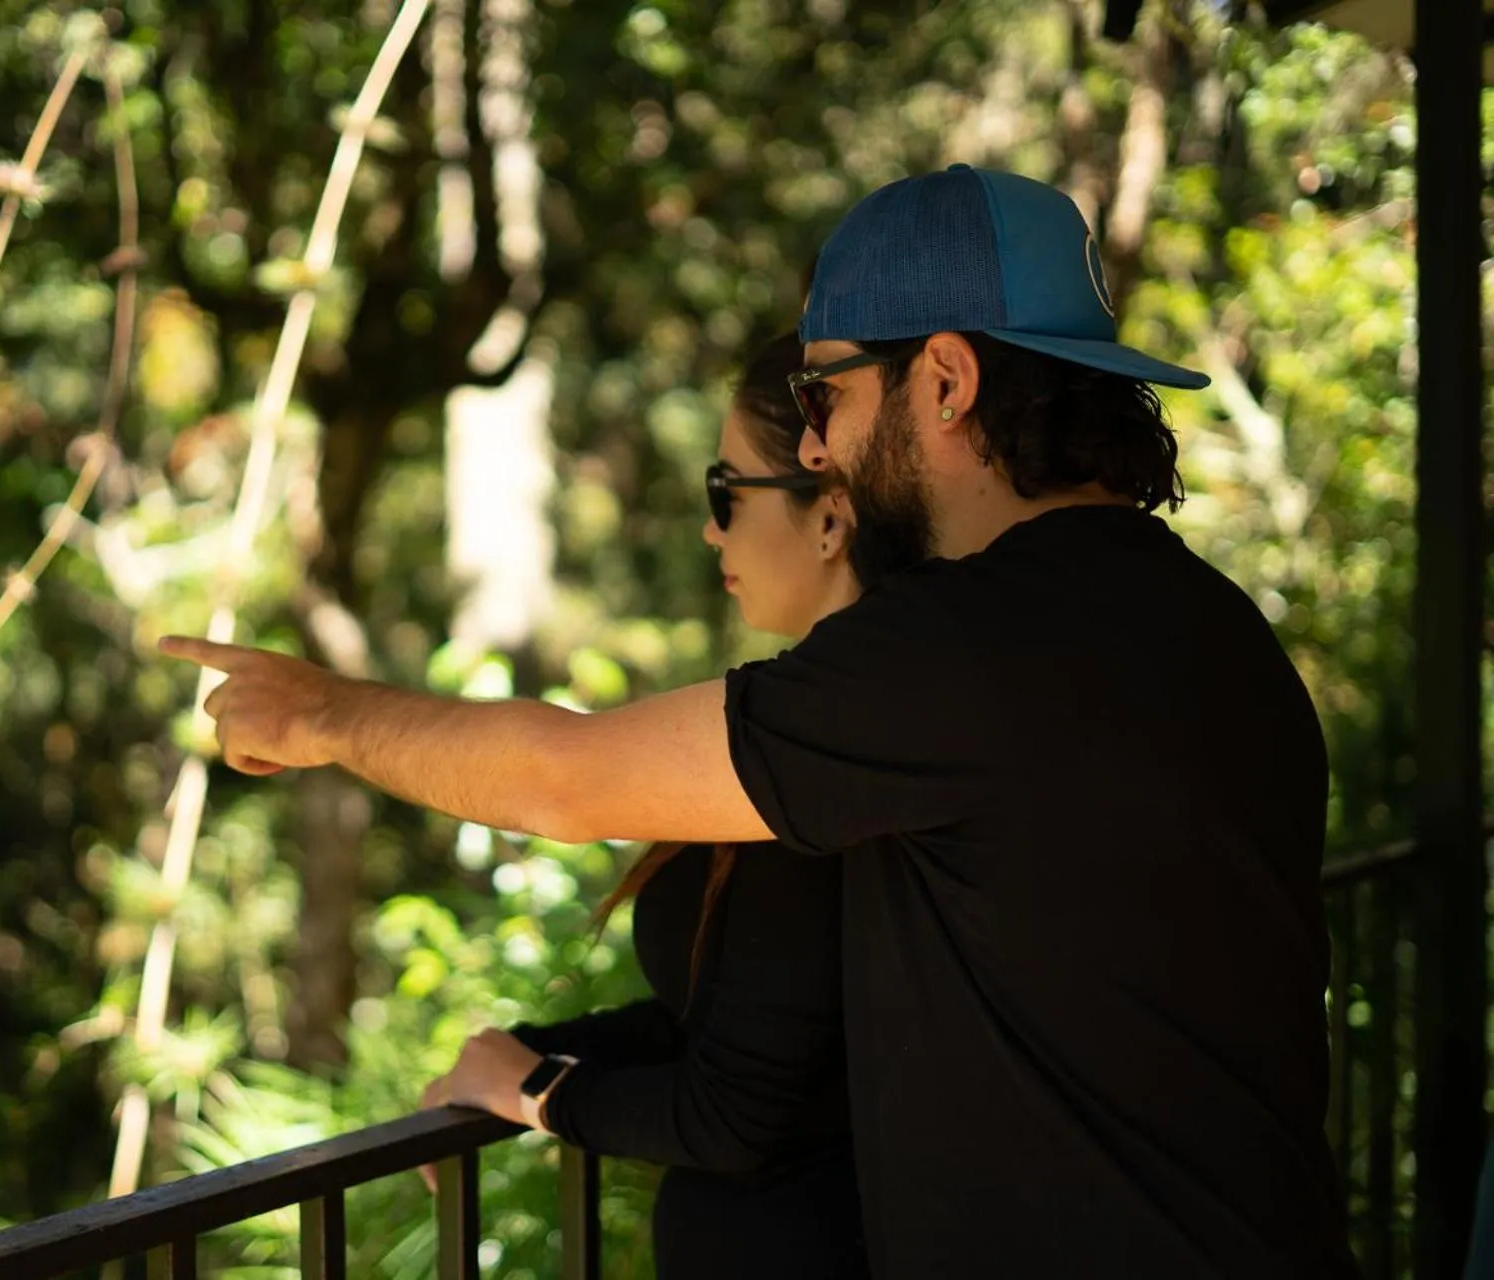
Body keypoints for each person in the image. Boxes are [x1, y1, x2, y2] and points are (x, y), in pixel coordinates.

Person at [161, 165, 1356, 1277]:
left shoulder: (964, 647)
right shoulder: (1215, 625)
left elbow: (564, 779)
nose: (820, 443)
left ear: (946, 379)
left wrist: (328, 713)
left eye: (825, 392)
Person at [421, 335, 868, 1278]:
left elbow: (735, 1116)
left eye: (726, 492)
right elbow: (725, 1025)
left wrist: (539, 1091)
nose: (710, 530)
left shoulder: (826, 767)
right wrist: (527, 1056)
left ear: (830, 517)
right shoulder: (838, 736)